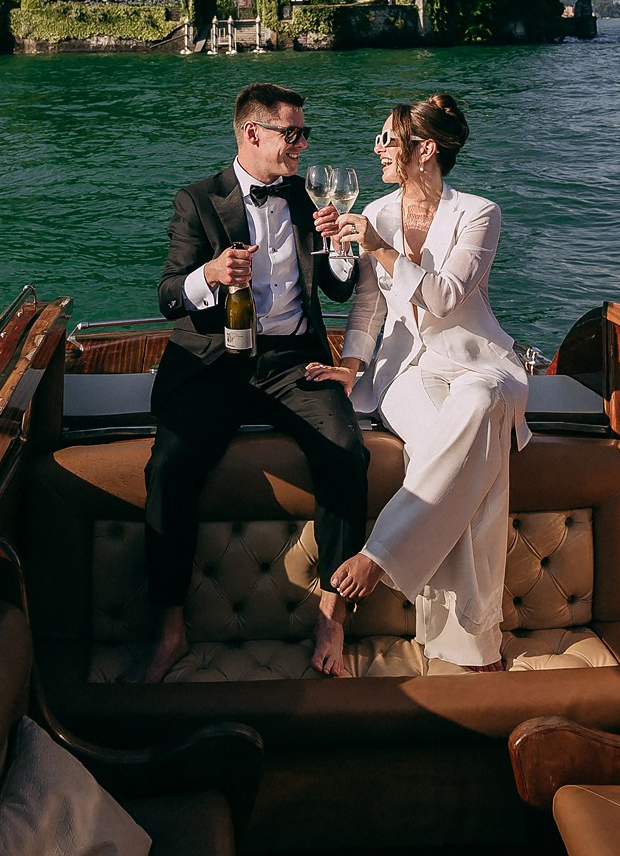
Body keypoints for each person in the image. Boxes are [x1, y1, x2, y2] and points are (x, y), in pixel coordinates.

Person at [144, 82, 363, 681]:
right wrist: (209, 274)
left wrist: (337, 243)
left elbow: (340, 287)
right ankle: (169, 629)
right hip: (218, 361)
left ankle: (332, 616)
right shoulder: (197, 200)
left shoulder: (304, 195)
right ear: (252, 134)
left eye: (303, 133)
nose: (300, 145)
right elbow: (168, 297)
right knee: (169, 466)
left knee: (346, 451)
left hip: (296, 362)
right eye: (291, 134)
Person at [316, 93, 529, 672]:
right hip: (404, 371)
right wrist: (352, 366)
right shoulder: (377, 212)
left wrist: (380, 249)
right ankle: (474, 646)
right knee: (471, 462)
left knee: (481, 406)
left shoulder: (479, 214)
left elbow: (445, 298)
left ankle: (380, 556)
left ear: (424, 149)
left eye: (388, 139)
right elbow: (366, 305)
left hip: (475, 361)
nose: (377, 148)